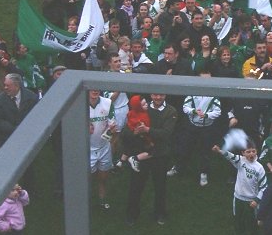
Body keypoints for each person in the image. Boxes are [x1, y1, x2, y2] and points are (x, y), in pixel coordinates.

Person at [126, 93, 178, 226]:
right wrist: (135, 132)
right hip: (143, 154)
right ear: (151, 95)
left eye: (161, 95)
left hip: (160, 155)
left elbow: (166, 133)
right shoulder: (144, 107)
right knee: (136, 186)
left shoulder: (171, 111)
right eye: (155, 95)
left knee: (160, 186)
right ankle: (132, 214)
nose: (158, 98)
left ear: (165, 95)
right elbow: (128, 130)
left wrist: (147, 129)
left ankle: (160, 213)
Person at [167, 70, 221, 186]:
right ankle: (178, 167)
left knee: (205, 151)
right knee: (184, 147)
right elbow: (185, 107)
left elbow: (217, 112)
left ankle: (203, 173)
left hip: (207, 127)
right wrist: (194, 111)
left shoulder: (214, 95)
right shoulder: (192, 93)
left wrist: (206, 115)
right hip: (192, 126)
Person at [213, 139, 267, 235]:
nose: (251, 154)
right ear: (243, 153)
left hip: (251, 201)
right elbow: (230, 156)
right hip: (238, 198)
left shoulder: (259, 168)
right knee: (239, 221)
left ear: (256, 151)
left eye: (253, 151)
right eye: (248, 152)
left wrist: (257, 200)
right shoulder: (240, 161)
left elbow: (264, 187)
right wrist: (219, 151)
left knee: (253, 222)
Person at [88, 89, 115, 210]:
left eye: (97, 87)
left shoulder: (108, 103)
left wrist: (112, 129)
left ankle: (102, 200)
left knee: (103, 178)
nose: (95, 90)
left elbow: (112, 124)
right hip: (87, 149)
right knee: (87, 179)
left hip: (104, 147)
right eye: (92, 88)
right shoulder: (79, 104)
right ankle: (86, 200)